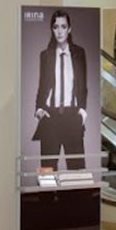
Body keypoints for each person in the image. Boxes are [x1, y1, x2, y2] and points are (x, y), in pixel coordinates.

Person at [33, 9, 88, 172]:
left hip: (72, 116)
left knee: (77, 171)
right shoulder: (46, 55)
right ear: (52, 29)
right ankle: (48, 198)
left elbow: (83, 85)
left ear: (69, 29)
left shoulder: (79, 53)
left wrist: (82, 111)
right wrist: (39, 109)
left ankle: (75, 198)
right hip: (51, 117)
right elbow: (42, 85)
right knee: (47, 172)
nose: (59, 31)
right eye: (56, 27)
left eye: (63, 27)